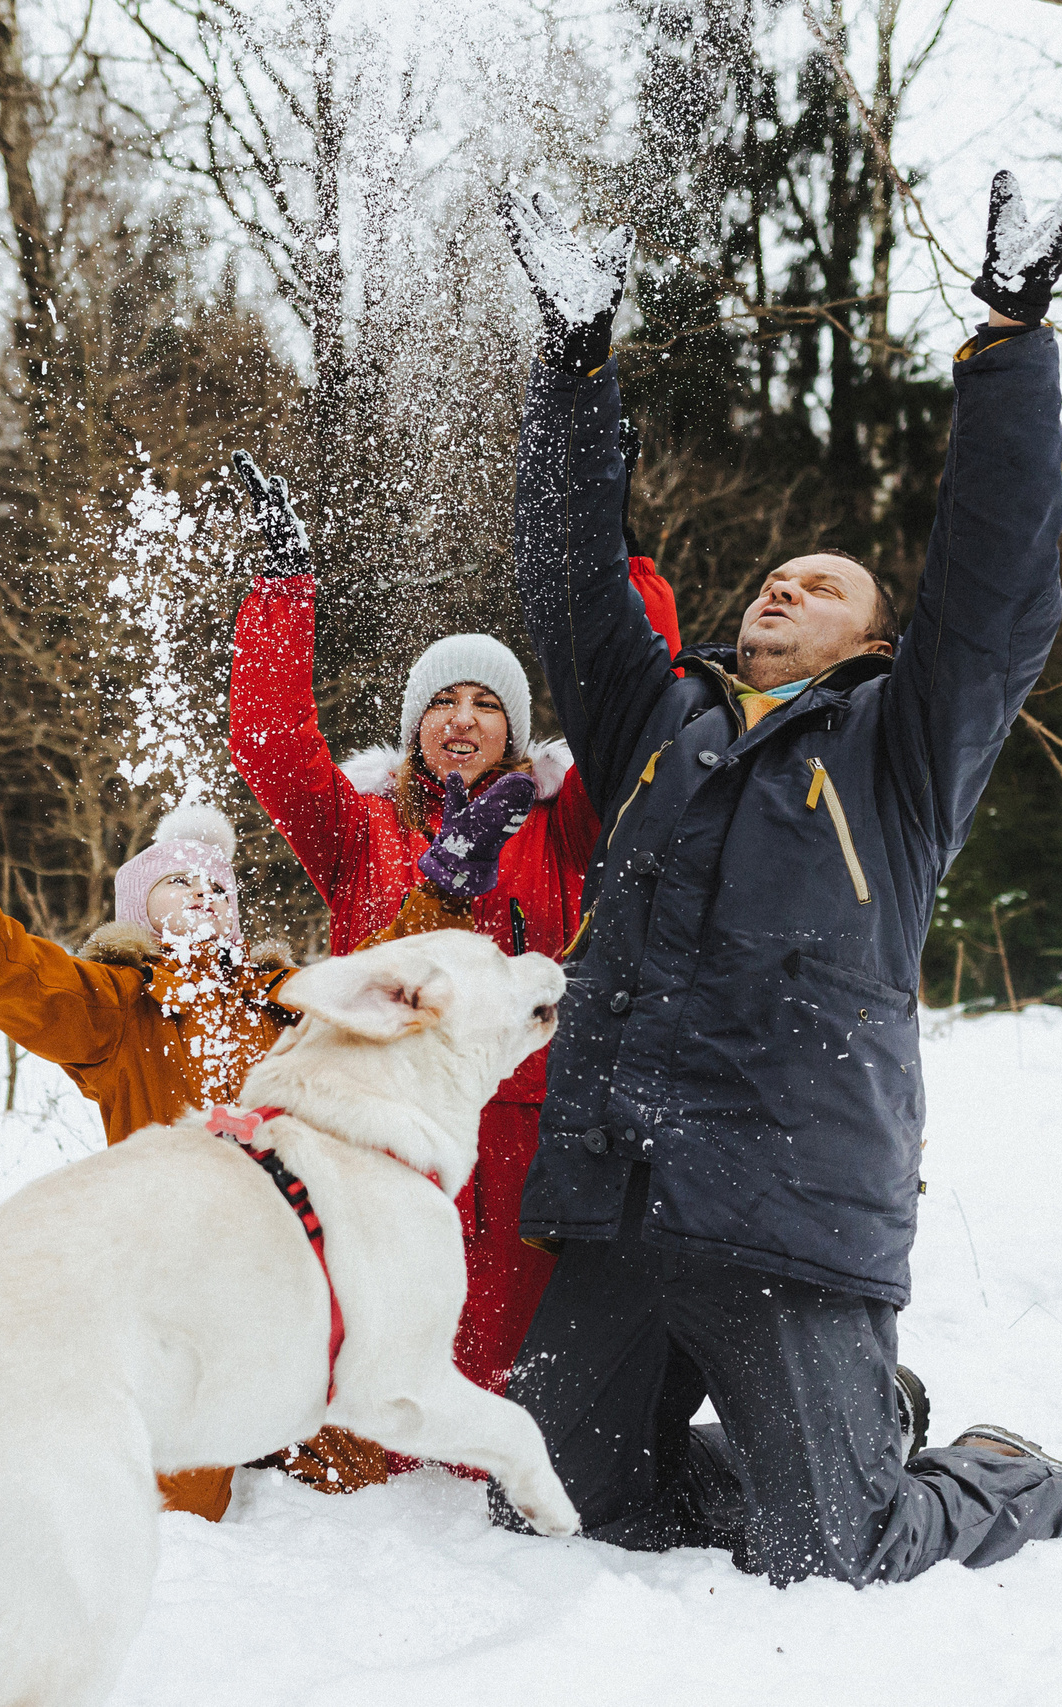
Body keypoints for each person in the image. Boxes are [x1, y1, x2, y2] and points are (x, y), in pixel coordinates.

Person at [491, 155, 1062, 1587]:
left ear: (869, 642)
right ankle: (852, 1427)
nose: (784, 585)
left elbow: (993, 586)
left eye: (826, 582)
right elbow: (569, 576)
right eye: (773, 576)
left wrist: (1013, 338)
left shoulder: (903, 745)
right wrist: (574, 366)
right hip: (619, 1195)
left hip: (785, 1203)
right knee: (554, 1506)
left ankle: (997, 1471)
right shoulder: (655, 723)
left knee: (834, 1547)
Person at [223, 450, 679, 1399]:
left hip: (527, 1123)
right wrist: (281, 589)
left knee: (513, 1362)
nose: (462, 721)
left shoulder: (567, 819)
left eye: (486, 705)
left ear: (515, 730)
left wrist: (624, 567)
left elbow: (641, 716)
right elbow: (269, 743)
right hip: (379, 1118)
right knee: (375, 1345)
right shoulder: (360, 827)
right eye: (442, 702)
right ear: (412, 726)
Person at [0, 789, 386, 1520]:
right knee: (176, 1509)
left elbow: (389, 1006)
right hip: (179, 1288)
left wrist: (441, 886)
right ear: (141, 909)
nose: (204, 894)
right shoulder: (120, 1007)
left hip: (295, 1284)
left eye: (218, 885)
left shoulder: (284, 1001)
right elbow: (27, 979)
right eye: (179, 881)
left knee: (367, 1477)